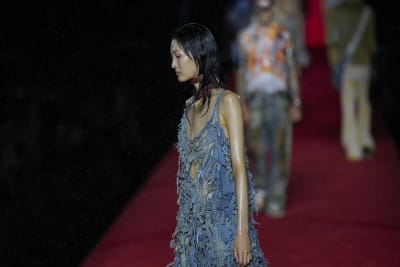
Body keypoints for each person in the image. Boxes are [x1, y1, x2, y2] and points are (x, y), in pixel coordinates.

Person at [169, 23, 267, 267]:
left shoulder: (228, 102)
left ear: (197, 53)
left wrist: (242, 233)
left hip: (225, 224)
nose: (173, 65)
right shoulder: (189, 108)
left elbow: (239, 167)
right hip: (192, 226)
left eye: (178, 56)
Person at [236, 0, 302, 218]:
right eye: (260, 8)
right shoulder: (245, 37)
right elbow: (241, 71)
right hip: (255, 99)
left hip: (279, 98)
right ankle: (261, 188)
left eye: (268, 7)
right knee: (256, 146)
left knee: (280, 147)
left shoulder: (283, 35)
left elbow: (291, 68)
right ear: (255, 10)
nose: (264, 12)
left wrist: (296, 101)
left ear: (273, 9)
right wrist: (242, 104)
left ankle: (276, 197)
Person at [325, 0, 376, 161]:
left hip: (346, 64)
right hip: (363, 62)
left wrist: (334, 64)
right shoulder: (367, 12)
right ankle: (365, 139)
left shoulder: (335, 14)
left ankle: (353, 146)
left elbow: (332, 40)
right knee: (363, 103)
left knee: (348, 104)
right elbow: (371, 43)